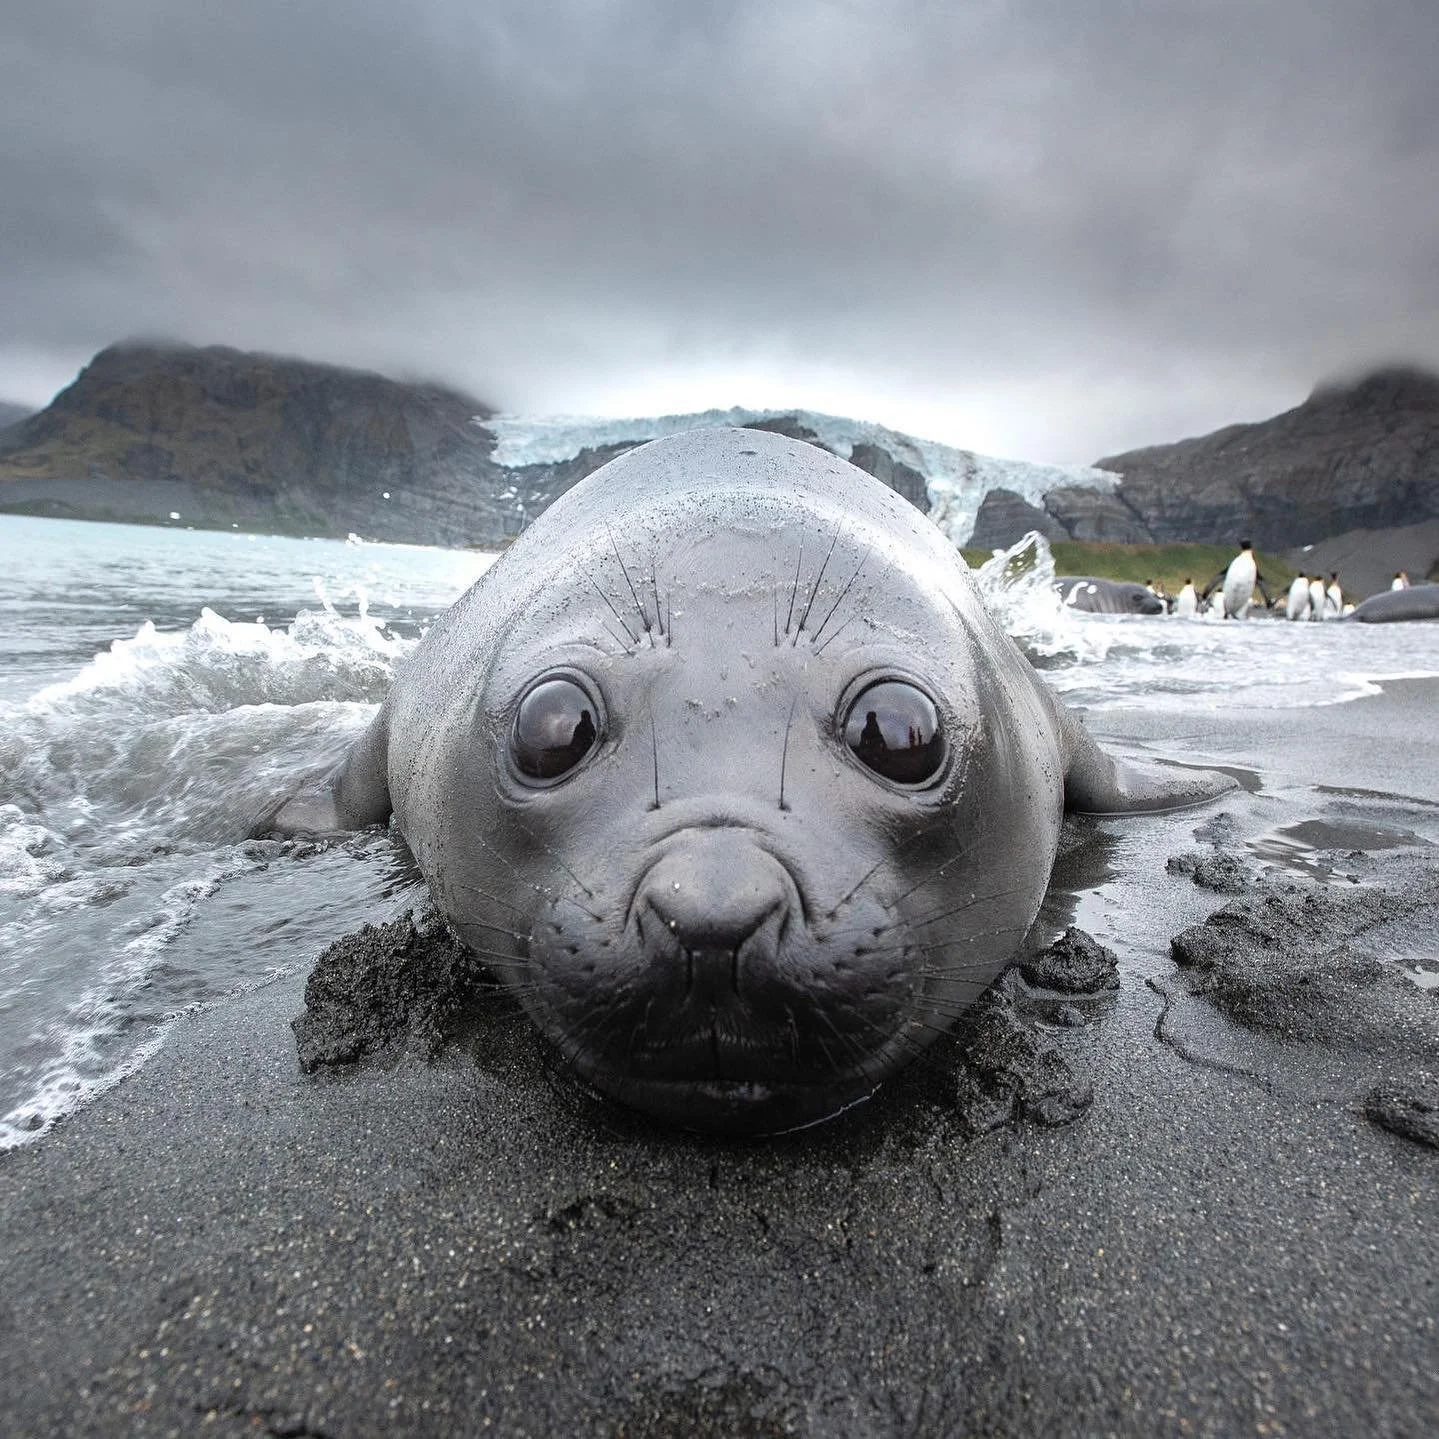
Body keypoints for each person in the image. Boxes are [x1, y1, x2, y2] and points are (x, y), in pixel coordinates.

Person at [1200, 540, 1274, 620]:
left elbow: (1216, 579)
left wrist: (1205, 594)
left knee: (1228, 614)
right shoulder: (1252, 566)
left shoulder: (1235, 563)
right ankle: (1232, 614)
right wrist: (1268, 601)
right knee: (1234, 615)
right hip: (1239, 606)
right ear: (1252, 549)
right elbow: (1262, 584)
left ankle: (1227, 613)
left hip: (1227, 603)